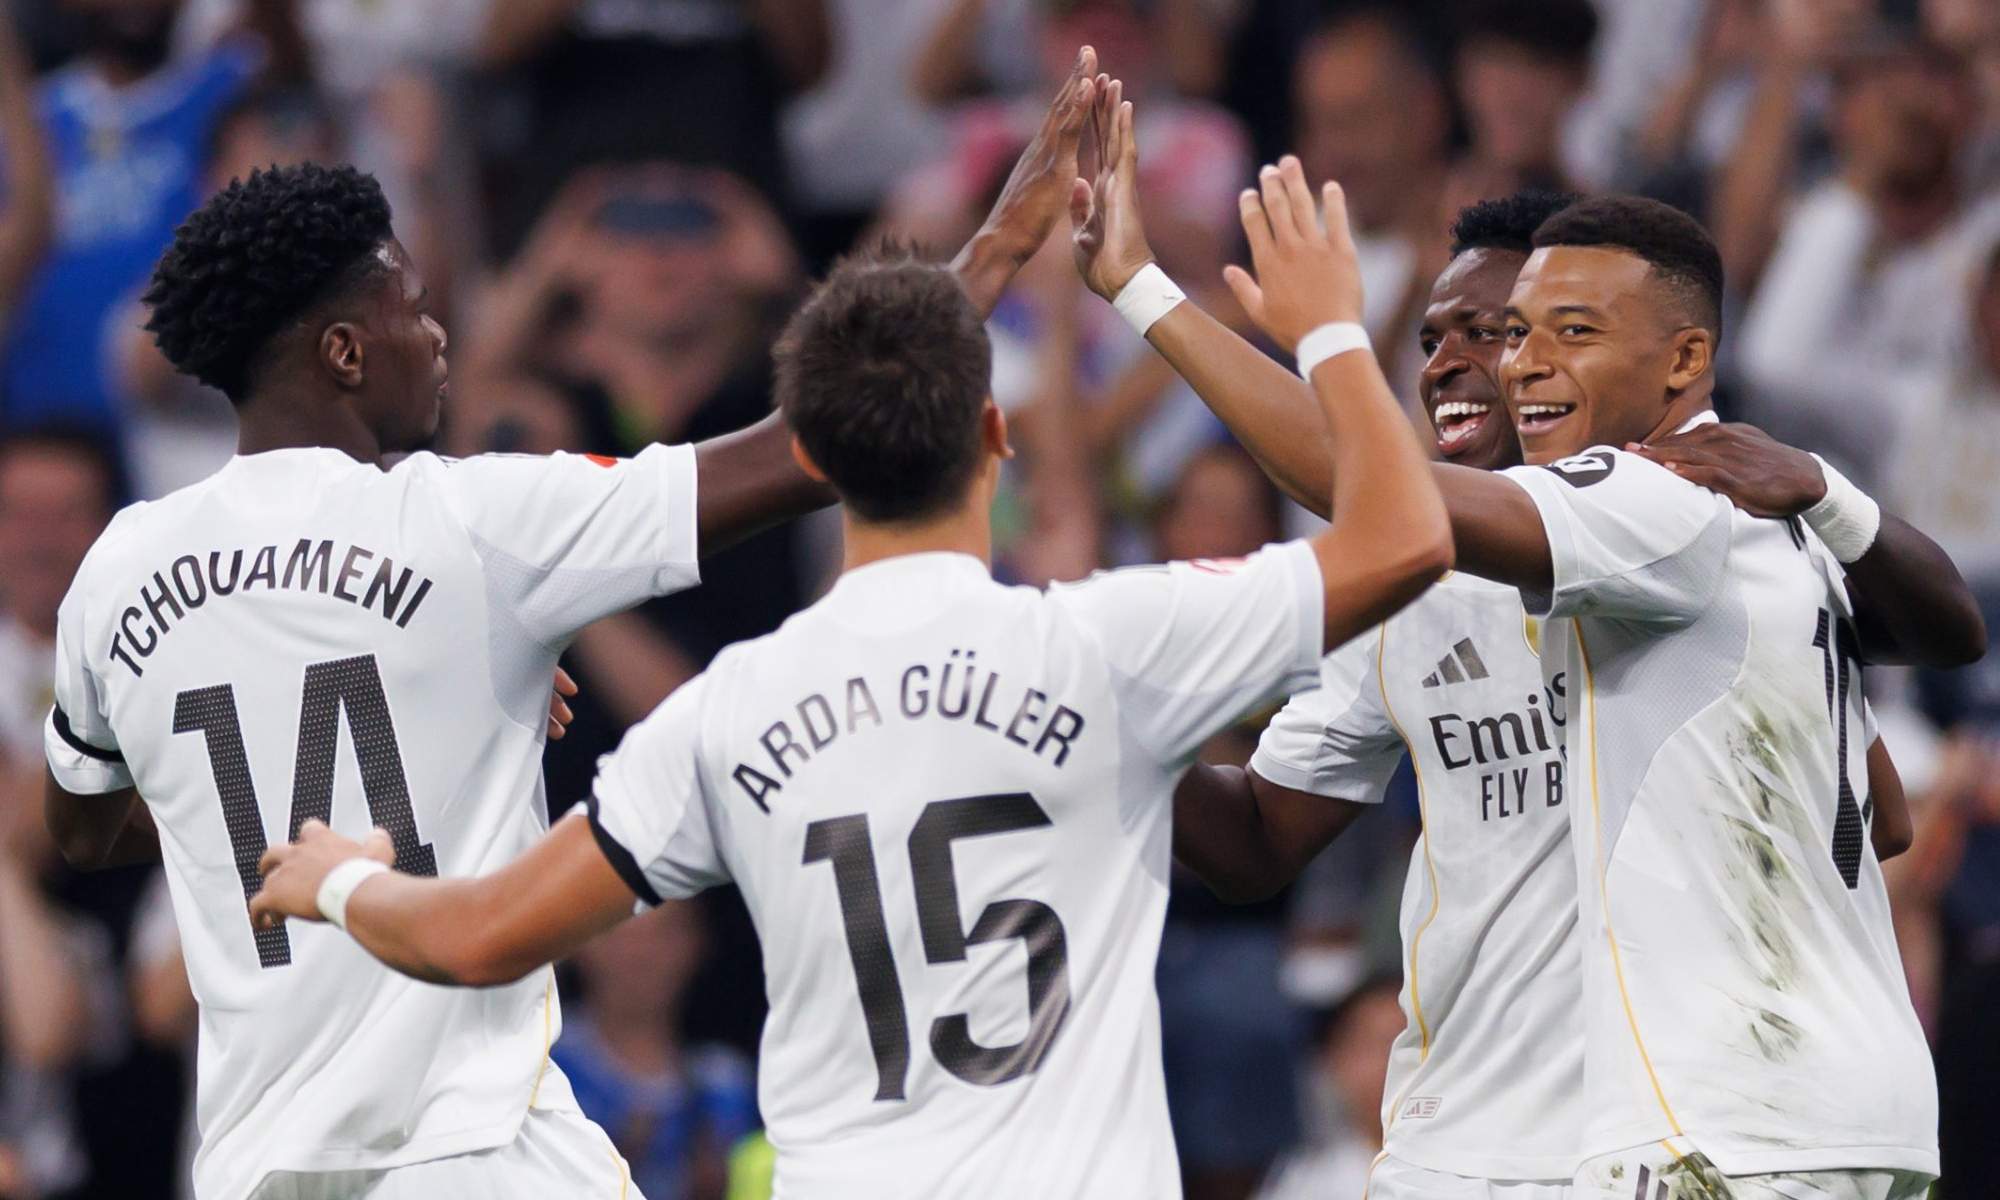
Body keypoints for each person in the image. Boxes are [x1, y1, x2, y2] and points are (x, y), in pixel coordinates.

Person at [244, 85, 1456, 1199]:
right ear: (994, 433)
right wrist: (1326, 330)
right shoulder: (1109, 647)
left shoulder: (725, 713)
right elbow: (1405, 538)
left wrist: (336, 879)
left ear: (812, 462)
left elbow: (479, 937)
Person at [41, 48, 1110, 1200]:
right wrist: (996, 248)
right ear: (342, 352)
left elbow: (85, 829)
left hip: (256, 1167)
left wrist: (367, 740)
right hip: (476, 1155)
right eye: (408, 306)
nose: (442, 331)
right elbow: (822, 436)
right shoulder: (472, 521)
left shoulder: (120, 569)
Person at [1077, 151, 1983, 1197]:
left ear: (1658, 359)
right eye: (1436, 339)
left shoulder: (1666, 503)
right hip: (1469, 1141)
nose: (1475, 363)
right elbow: (1250, 841)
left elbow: (1370, 490)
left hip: (1689, 1123)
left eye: (1517, 330)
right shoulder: (1411, 590)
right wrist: (1093, 710)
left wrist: (1192, 305)